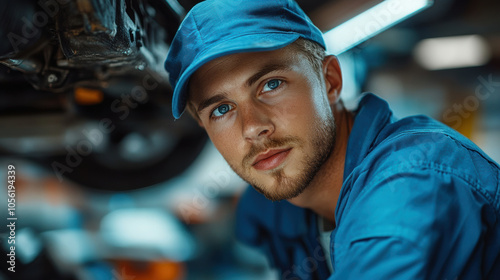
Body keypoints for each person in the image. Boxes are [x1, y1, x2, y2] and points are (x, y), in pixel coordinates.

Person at [164, 0, 500, 279]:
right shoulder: (278, 203)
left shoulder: (411, 185)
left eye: (271, 84)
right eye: (222, 109)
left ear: (330, 81)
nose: (252, 128)